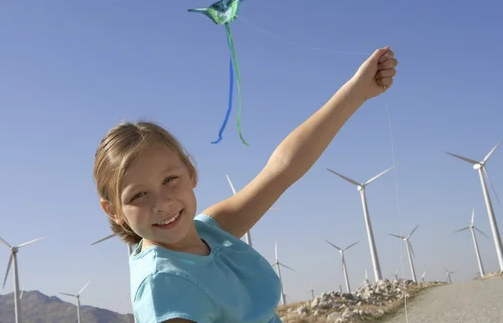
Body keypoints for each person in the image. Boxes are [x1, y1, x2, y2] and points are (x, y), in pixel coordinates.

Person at [93, 46, 398, 323]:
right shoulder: (163, 287)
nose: (161, 202)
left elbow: (281, 170)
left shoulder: (208, 232)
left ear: (191, 172)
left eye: (170, 179)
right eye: (139, 195)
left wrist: (357, 91)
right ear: (113, 211)